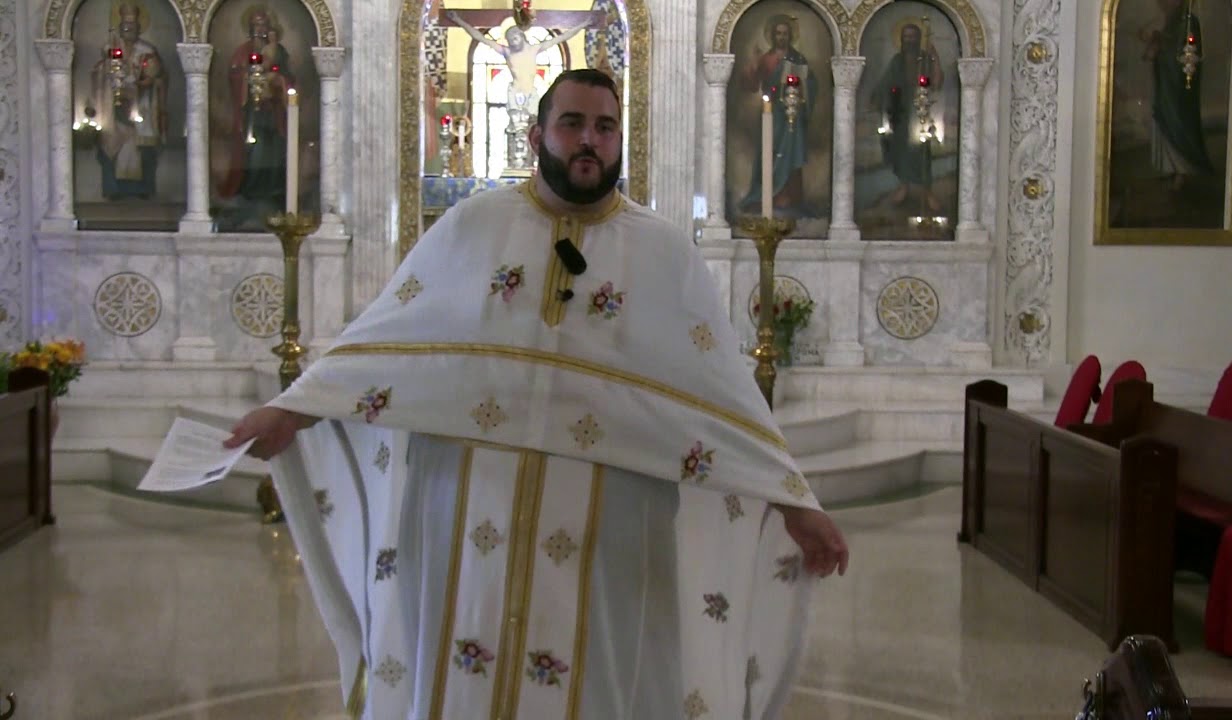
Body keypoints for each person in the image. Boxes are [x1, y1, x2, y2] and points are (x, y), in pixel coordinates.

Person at [225, 69, 847, 718]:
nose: (589, 141)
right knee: (460, 660)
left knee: (605, 680)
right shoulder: (472, 226)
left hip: (613, 533)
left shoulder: (667, 255)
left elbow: (723, 395)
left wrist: (793, 499)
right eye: (572, 123)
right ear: (536, 136)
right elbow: (387, 343)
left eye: (605, 128)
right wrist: (289, 410)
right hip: (468, 518)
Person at [736, 14, 818, 217]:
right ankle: (766, 196)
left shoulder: (798, 59)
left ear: (790, 36)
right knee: (769, 153)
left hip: (792, 115)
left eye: (785, 33)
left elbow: (811, 84)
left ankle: (791, 197)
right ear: (772, 36)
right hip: (770, 114)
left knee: (790, 155)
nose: (781, 37)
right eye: (778, 33)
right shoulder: (766, 59)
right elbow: (751, 85)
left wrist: (803, 84)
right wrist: (754, 66)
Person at [218, 5, 293, 226]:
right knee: (254, 150)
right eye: (255, 25)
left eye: (263, 24)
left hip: (273, 112)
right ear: (250, 28)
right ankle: (250, 189)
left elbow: (288, 77)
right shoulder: (242, 52)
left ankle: (272, 192)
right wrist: (247, 78)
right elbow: (234, 75)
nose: (259, 29)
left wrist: (278, 81)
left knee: (273, 148)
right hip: (251, 112)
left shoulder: (278, 51)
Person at [446, 11, 594, 119]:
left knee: (535, 124)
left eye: (515, 38)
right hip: (515, 93)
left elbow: (563, 37)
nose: (513, 42)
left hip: (531, 93)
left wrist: (585, 24)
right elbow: (478, 36)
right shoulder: (507, 52)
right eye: (510, 40)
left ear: (522, 36)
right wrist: (458, 20)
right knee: (515, 130)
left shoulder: (535, 49)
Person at [87, 2, 167, 200]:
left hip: (142, 106)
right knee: (112, 146)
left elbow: (155, 75)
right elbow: (100, 72)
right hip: (113, 107)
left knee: (143, 149)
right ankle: (114, 191)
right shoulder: (110, 48)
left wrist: (146, 79)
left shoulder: (146, 50)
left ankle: (143, 190)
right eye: (124, 26)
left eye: (131, 26)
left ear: (138, 27)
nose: (128, 30)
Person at [1140, 0, 1212, 193]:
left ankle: (1183, 170)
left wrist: (1159, 44)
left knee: (1178, 122)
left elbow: (1187, 53)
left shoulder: (1190, 22)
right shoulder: (1170, 21)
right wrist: (1156, 42)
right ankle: (1171, 168)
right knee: (1164, 119)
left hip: (1179, 88)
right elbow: (1168, 43)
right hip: (1166, 83)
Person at [874, 22, 944, 211]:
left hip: (921, 112)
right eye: (906, 36)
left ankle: (927, 191)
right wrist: (878, 99)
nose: (909, 40)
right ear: (901, 39)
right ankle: (903, 186)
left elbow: (936, 83)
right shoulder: (897, 60)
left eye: (913, 36)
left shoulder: (925, 59)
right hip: (900, 113)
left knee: (922, 151)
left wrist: (935, 57)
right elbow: (886, 83)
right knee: (900, 150)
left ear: (918, 38)